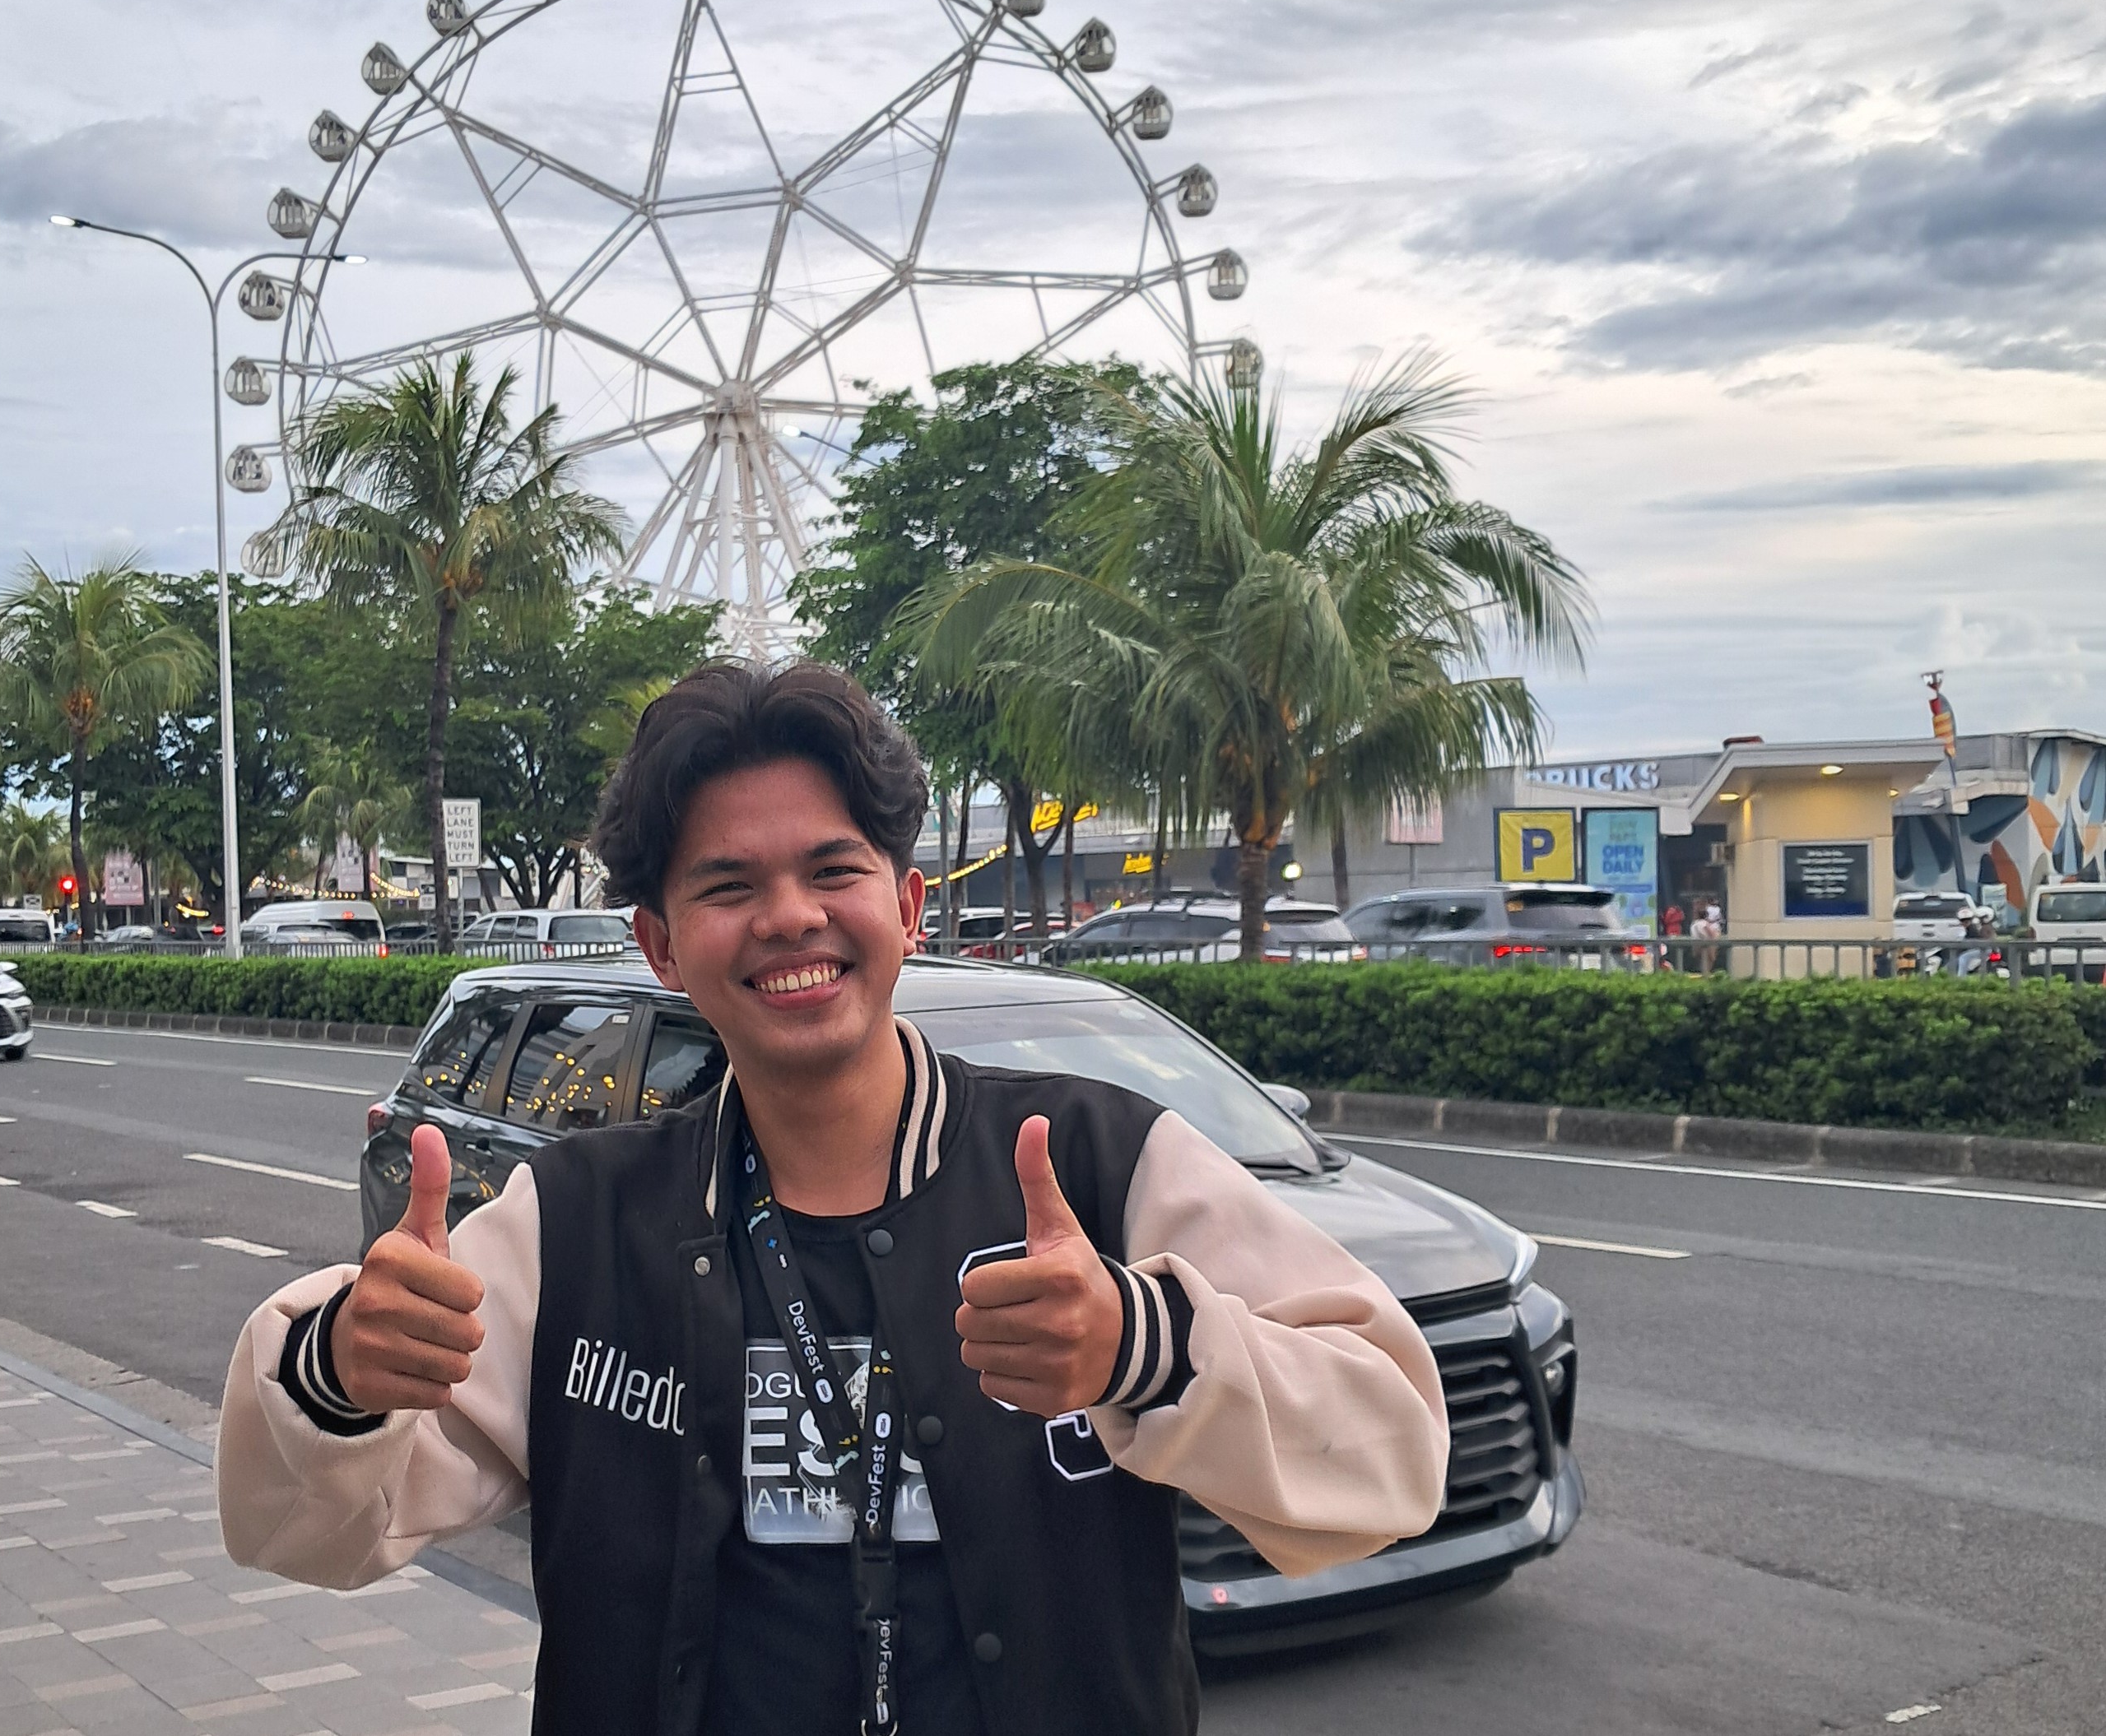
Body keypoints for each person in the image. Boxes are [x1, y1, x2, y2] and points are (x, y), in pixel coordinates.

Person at [217, 661, 1448, 1736]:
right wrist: (335, 1370)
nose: (789, 917)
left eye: (832, 870)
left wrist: (1146, 1345)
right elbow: (307, 1530)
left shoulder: (1101, 1166)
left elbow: (1391, 1463)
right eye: (727, 886)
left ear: (909, 909)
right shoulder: (577, 1223)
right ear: (659, 945)